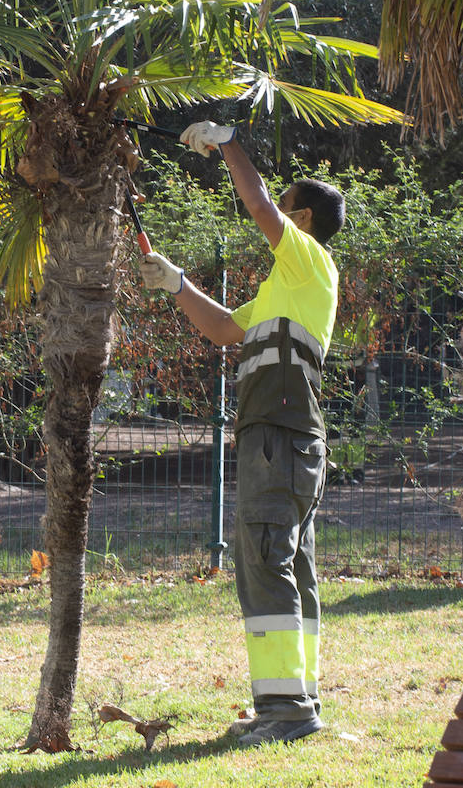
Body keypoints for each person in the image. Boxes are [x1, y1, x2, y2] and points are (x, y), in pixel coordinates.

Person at [139, 122, 343, 748]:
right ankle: (295, 699)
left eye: (284, 211)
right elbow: (227, 329)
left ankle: (285, 711)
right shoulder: (286, 287)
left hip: (277, 439)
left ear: (301, 218)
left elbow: (255, 202)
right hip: (283, 439)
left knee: (262, 560)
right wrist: (177, 284)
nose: (270, 217)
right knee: (288, 565)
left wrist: (229, 142)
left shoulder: (309, 261)